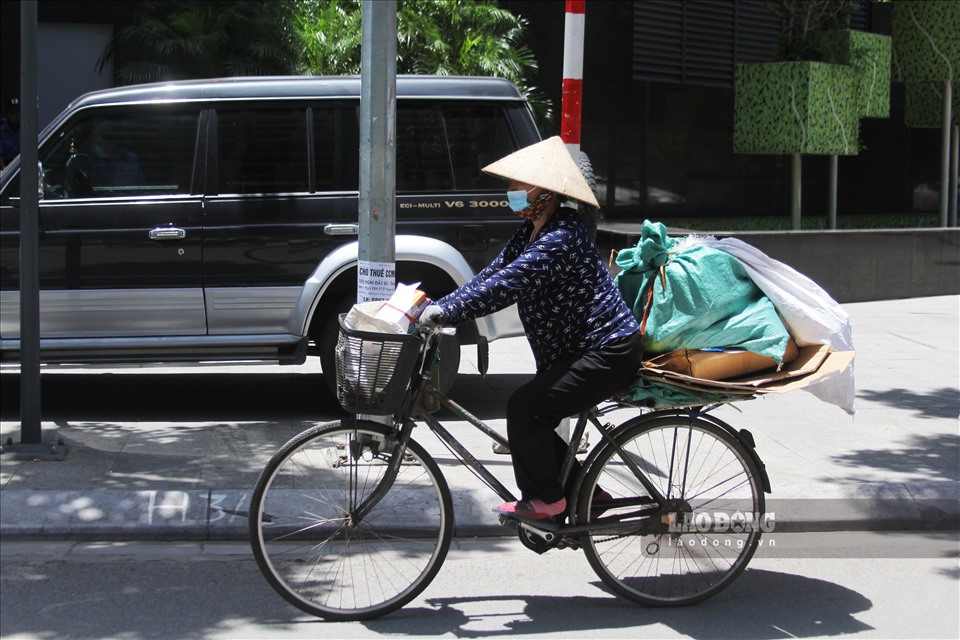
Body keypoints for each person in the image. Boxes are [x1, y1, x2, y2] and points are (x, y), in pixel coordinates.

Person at [419, 136, 642, 521]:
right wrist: (440, 306)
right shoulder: (532, 231)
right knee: (533, 413)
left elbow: (508, 285)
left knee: (525, 409)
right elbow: (492, 275)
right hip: (579, 351)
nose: (511, 193)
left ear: (547, 192)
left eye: (519, 185)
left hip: (607, 351)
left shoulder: (562, 237)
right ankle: (592, 496)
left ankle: (547, 501)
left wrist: (447, 313)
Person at [87, 121, 144, 187]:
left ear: (111, 143)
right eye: (95, 144)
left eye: (101, 145)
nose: (96, 148)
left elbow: (134, 188)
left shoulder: (129, 159)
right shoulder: (93, 161)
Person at [0, 97, 20, 168]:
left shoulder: (26, 130)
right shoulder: (2, 132)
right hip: (8, 167)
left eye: (18, 112)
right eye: (13, 113)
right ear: (8, 114)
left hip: (24, 165)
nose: (16, 116)